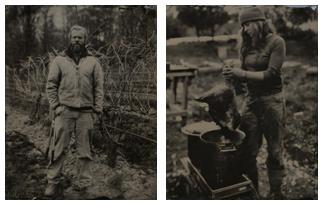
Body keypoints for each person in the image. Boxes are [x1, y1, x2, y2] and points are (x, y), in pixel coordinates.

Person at [222, 7, 286, 199]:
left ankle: (276, 192)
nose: (245, 29)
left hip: (272, 102)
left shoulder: (276, 42)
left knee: (274, 150)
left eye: (248, 24)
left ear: (259, 23)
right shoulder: (246, 44)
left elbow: (271, 74)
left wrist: (242, 73)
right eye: (243, 25)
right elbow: (241, 76)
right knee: (246, 149)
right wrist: (231, 72)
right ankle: (252, 193)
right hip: (251, 102)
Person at [45, 25, 104, 196]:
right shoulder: (60, 61)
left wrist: (97, 110)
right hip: (65, 112)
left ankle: (84, 183)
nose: (77, 40)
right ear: (69, 39)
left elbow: (99, 88)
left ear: (85, 40)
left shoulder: (93, 62)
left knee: (85, 150)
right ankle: (52, 181)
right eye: (74, 37)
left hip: (86, 113)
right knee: (58, 149)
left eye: (80, 38)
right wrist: (56, 106)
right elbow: (51, 85)